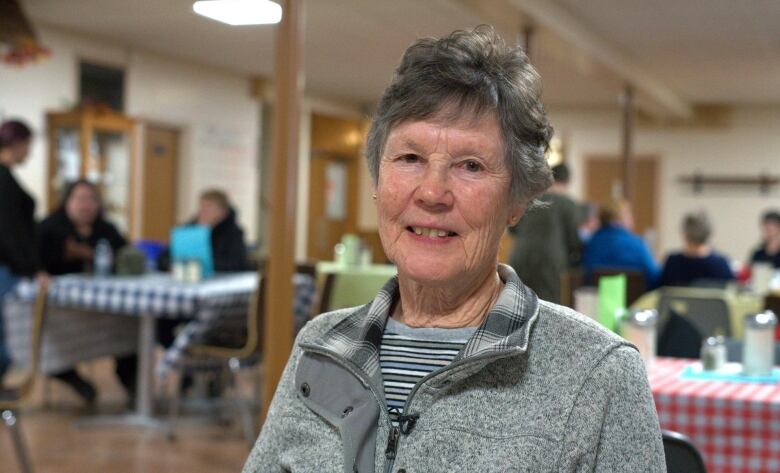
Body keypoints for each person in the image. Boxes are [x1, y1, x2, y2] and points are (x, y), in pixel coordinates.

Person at [244, 27, 664, 472]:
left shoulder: (597, 376)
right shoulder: (323, 346)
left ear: (517, 201)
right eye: (409, 158)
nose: (432, 192)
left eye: (470, 166)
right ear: (377, 182)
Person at [38, 179, 136, 403]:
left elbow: (125, 256)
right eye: (80, 199)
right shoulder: (49, 228)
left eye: (91, 200)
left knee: (131, 324)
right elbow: (38, 265)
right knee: (48, 334)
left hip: (104, 307)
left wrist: (91, 255)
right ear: (67, 202)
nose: (86, 205)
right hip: (61, 308)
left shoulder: (106, 229)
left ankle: (133, 383)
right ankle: (71, 377)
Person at [0, 119, 43, 384]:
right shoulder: (3, 180)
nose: (29, 152)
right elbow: (10, 233)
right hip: (5, 269)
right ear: (17, 143)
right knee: (8, 340)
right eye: (28, 145)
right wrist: (33, 268)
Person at [508, 162, 581, 303]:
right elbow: (573, 240)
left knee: (518, 302)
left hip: (521, 255)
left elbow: (513, 229)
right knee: (548, 307)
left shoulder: (528, 200)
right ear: (567, 182)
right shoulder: (568, 204)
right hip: (551, 261)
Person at [583, 199, 660, 289]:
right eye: (629, 216)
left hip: (597, 300)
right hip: (635, 301)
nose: (632, 220)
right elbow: (654, 277)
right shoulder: (636, 244)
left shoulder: (591, 244)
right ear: (620, 218)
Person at [658, 212, 734, 287]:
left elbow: (661, 289)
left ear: (685, 234)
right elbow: (733, 290)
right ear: (708, 233)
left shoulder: (672, 262)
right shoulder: (721, 264)